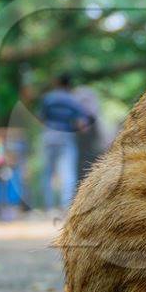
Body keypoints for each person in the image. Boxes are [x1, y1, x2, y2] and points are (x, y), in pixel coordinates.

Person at [39, 74, 92, 211]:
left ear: (57, 82)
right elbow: (83, 123)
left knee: (48, 172)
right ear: (69, 85)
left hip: (49, 136)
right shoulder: (72, 100)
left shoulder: (48, 98)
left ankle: (48, 206)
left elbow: (41, 118)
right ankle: (65, 206)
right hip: (65, 137)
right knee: (67, 172)